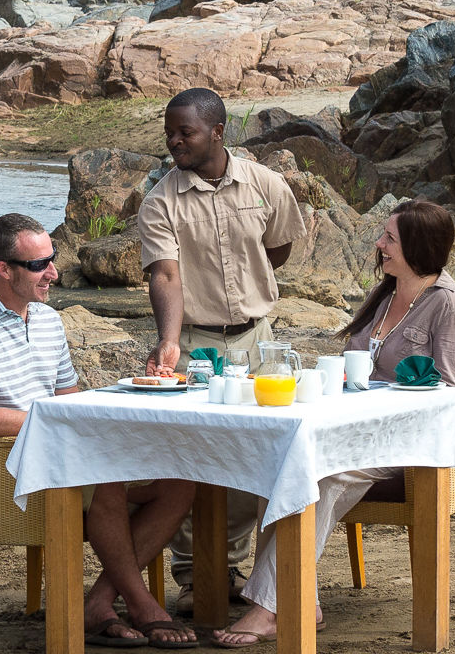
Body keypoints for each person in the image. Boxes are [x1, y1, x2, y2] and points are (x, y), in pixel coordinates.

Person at [210, 199, 455, 648]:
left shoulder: (446, 306)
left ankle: (267, 608)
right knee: (283, 465)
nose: (379, 244)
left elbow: (448, 391)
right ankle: (300, 598)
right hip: (354, 430)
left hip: (404, 443)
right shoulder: (387, 295)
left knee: (322, 476)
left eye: (389, 237)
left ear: (417, 246)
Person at [0, 212, 201, 648]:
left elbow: (70, 401)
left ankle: (98, 603)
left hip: (61, 458)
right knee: (107, 480)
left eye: (52, 258)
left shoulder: (46, 320)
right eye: (39, 264)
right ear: (4, 270)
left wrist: (140, 386)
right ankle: (142, 605)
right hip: (1, 470)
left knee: (180, 482)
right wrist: (64, 425)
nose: (53, 272)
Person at [139, 87, 302, 612]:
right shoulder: (161, 200)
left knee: (253, 457)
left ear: (217, 132)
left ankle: (234, 567)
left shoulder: (267, 184)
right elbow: (165, 274)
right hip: (193, 343)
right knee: (187, 459)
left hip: (257, 342)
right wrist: (169, 340)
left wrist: (248, 293)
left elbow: (277, 245)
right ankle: (194, 577)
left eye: (184, 132)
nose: (174, 141)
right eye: (169, 132)